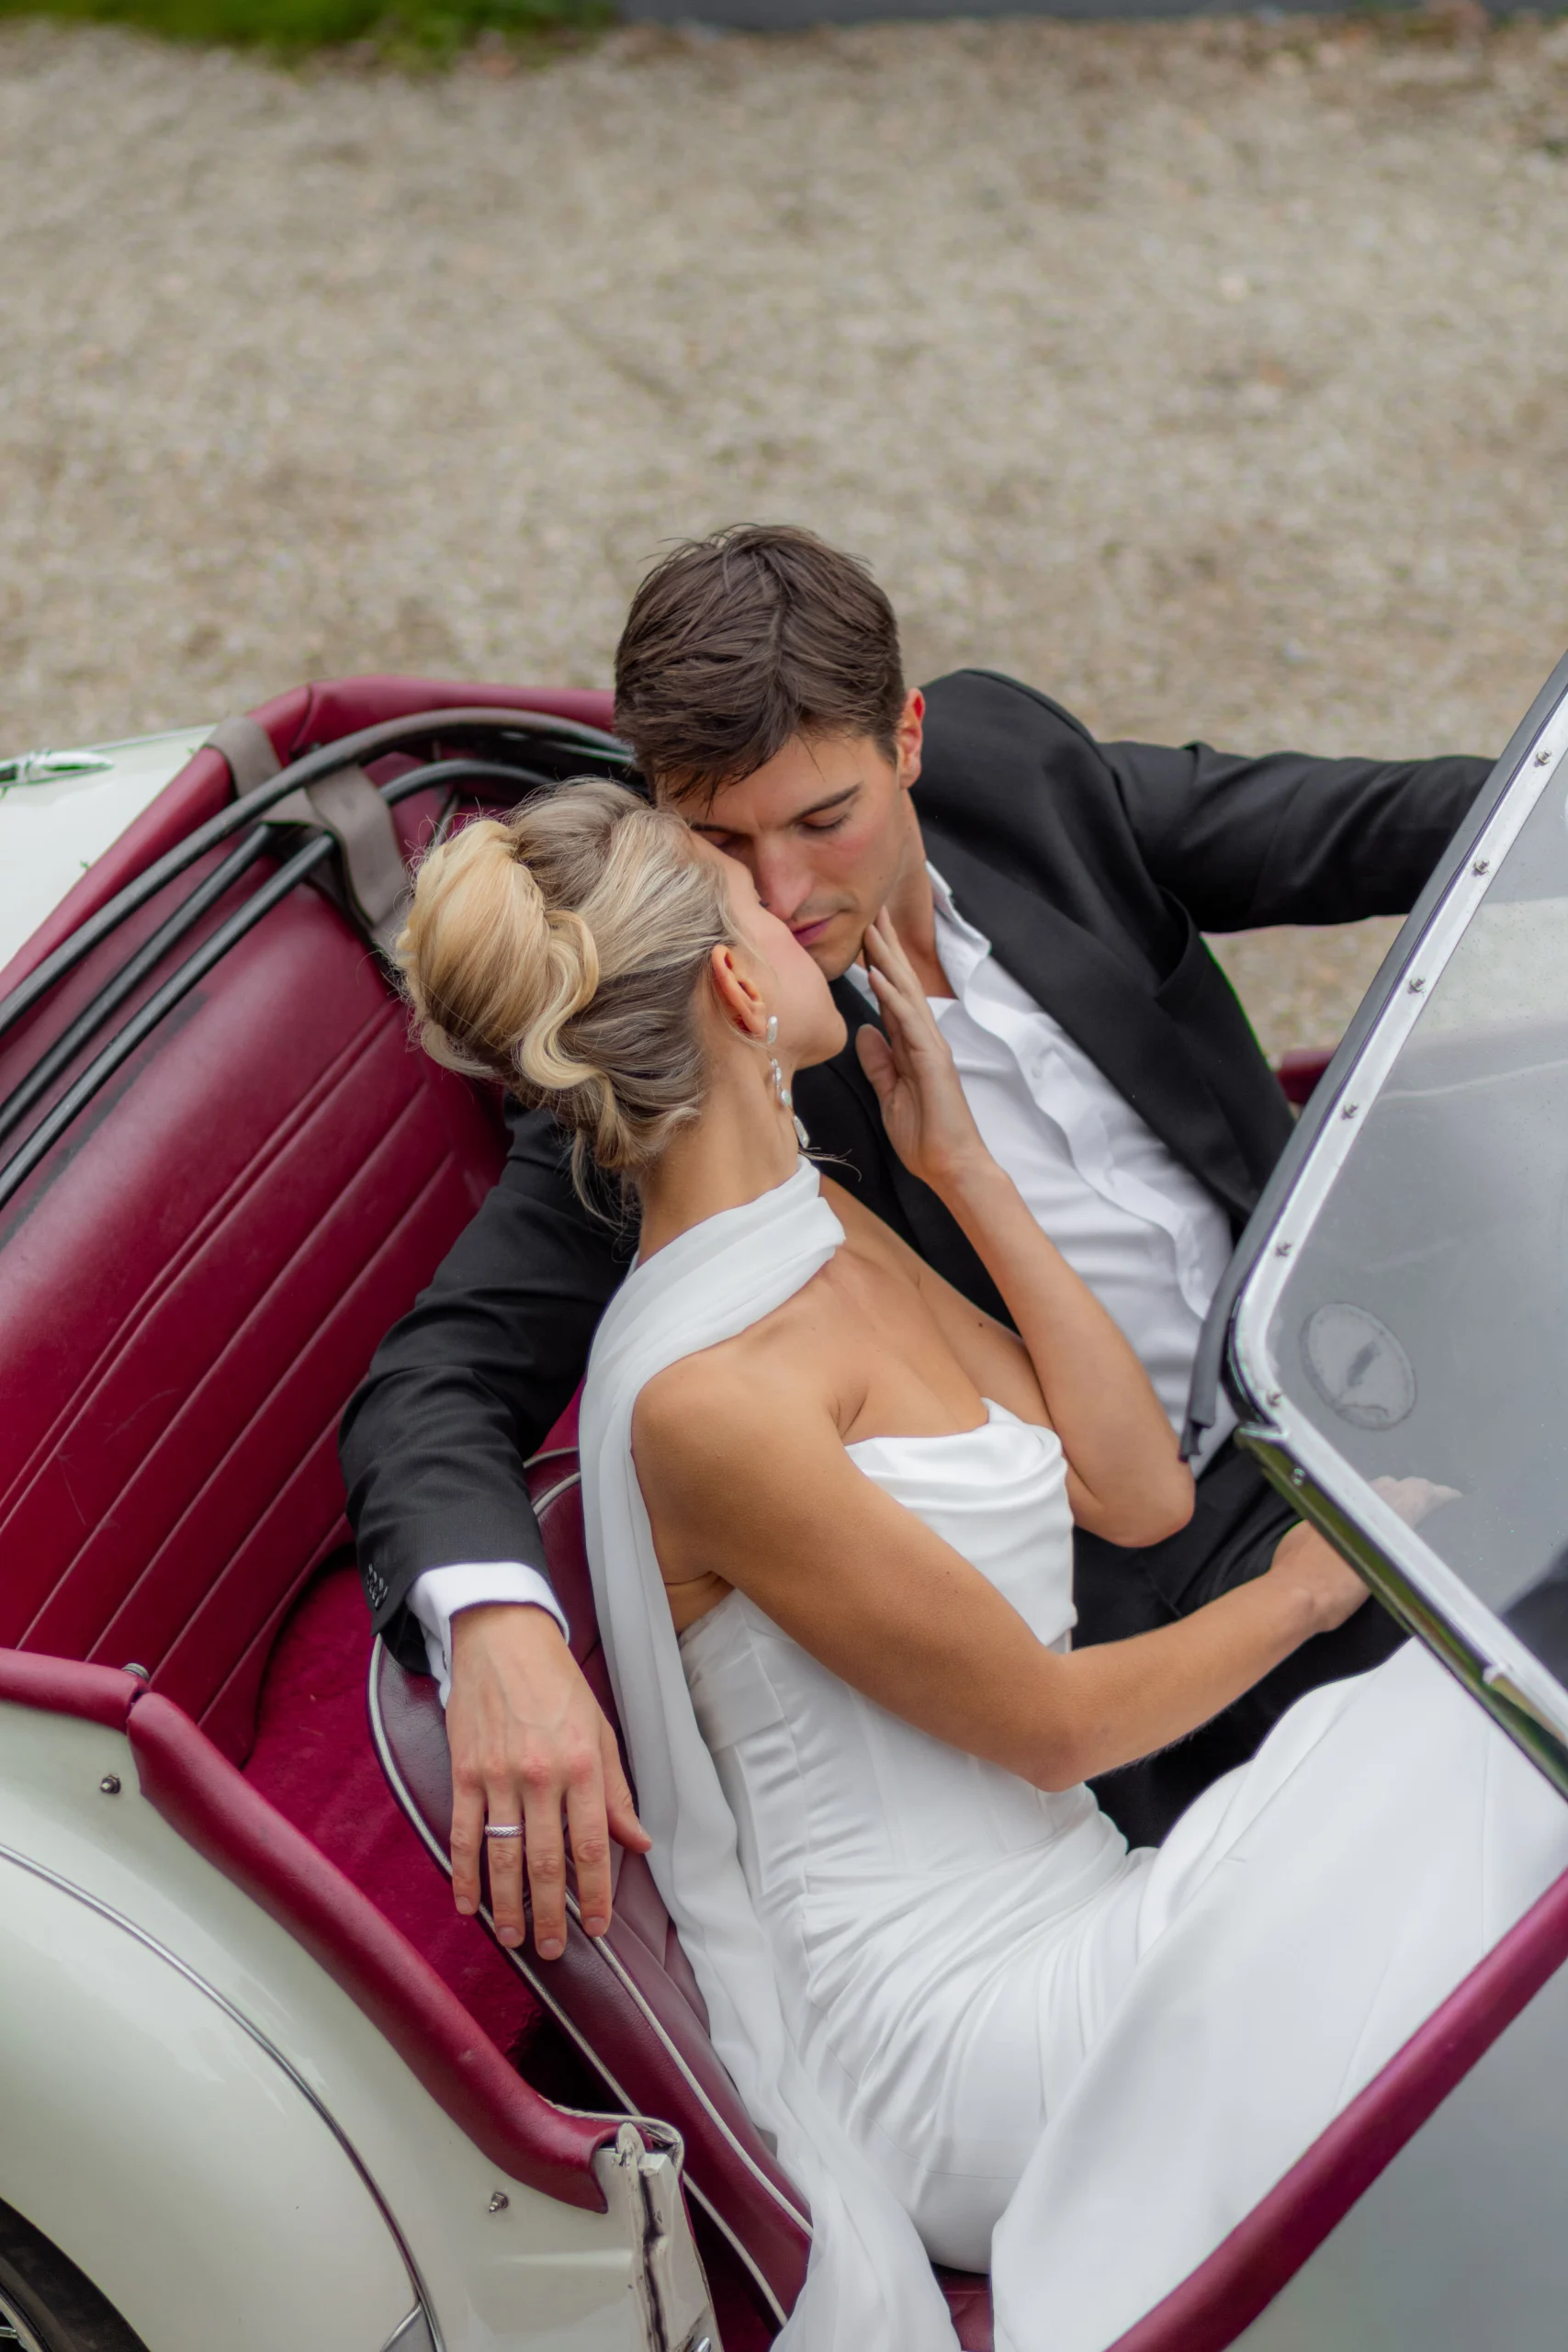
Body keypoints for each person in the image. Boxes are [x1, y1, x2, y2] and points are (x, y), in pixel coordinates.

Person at [390, 780, 1568, 2352]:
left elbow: (1132, 1490)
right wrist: (1306, 1587)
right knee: (1461, 1739)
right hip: (949, 2035)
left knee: (1480, 1732)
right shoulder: (706, 1400)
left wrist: (963, 1170)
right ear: (739, 986)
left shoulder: (821, 1218)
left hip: (1093, 1895)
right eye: (749, 907)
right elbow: (1052, 1729)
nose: (791, 911)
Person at [340, 524, 1495, 1960]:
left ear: (907, 740)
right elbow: (434, 1383)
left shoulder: (1012, 773)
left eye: (822, 820)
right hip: (1149, 1617)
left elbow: (1340, 827)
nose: (779, 894)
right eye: (720, 843)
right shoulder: (685, 1058)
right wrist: (496, 1627)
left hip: (1351, 1371)